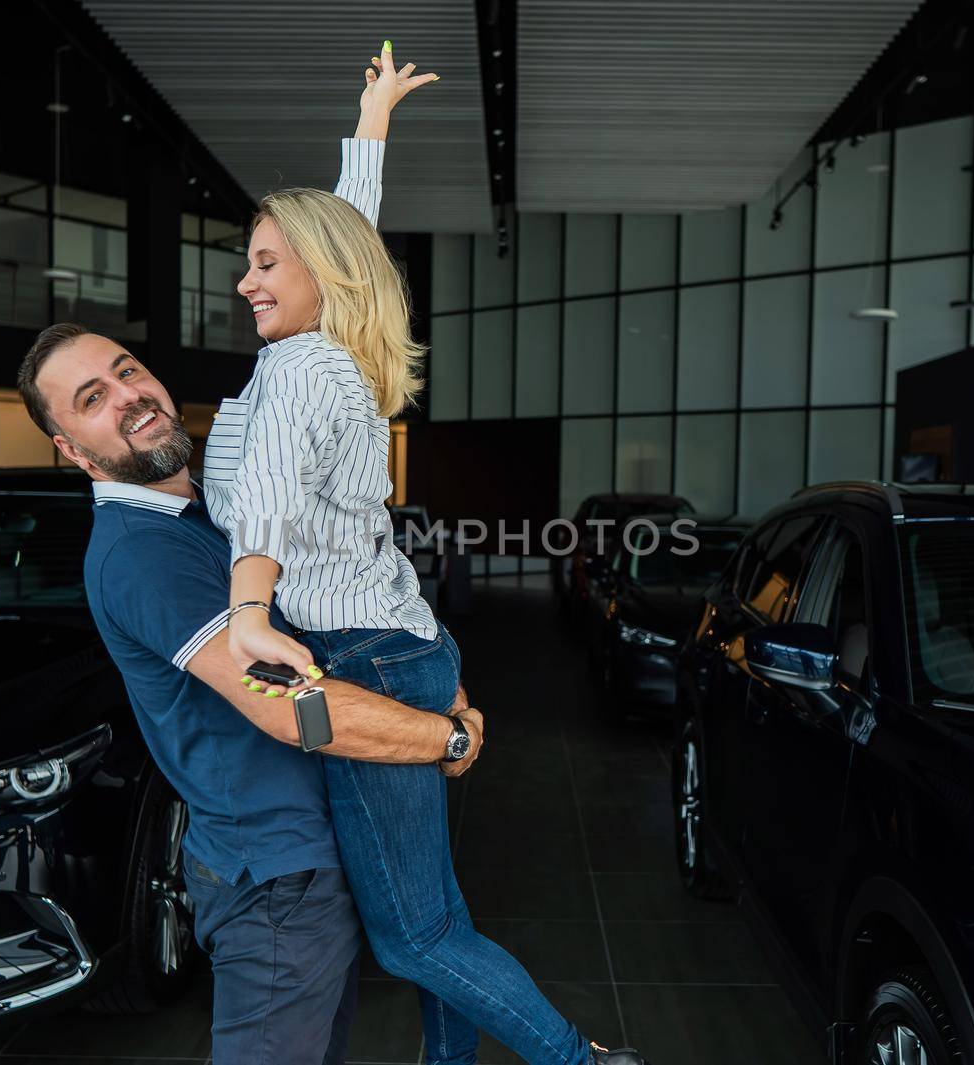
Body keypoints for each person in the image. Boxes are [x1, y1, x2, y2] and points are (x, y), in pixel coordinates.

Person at [206, 42, 648, 1065]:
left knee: (414, 934)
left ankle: (581, 1063)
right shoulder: (339, 355)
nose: (246, 282)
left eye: (266, 262)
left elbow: (265, 495)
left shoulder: (301, 368)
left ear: (318, 270)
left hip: (359, 655)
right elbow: (348, 236)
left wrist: (246, 612)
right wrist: (370, 128)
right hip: (402, 645)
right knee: (436, 920)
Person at [19, 323, 485, 1064]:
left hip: (311, 858)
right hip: (277, 880)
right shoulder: (143, 553)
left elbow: (339, 609)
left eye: (127, 369)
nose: (131, 397)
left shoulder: (215, 509)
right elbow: (289, 703)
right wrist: (445, 737)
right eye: (93, 399)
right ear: (73, 449)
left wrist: (432, 675)